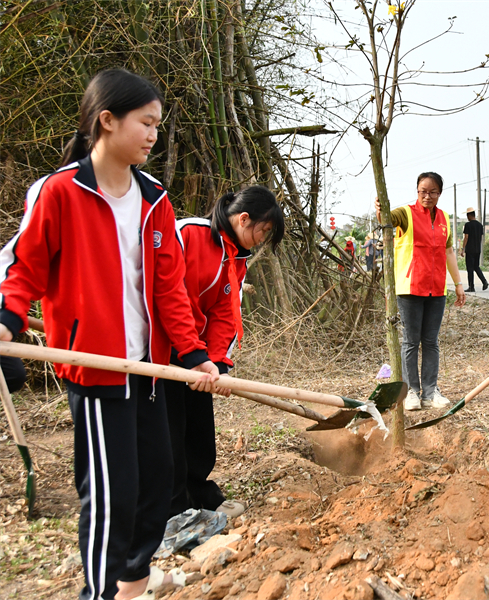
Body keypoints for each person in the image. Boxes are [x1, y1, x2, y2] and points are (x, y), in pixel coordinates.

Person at [0, 69, 219, 600]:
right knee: (110, 494)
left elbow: (169, 290)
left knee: (155, 486)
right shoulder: (60, 192)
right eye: (145, 123)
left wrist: (193, 355)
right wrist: (5, 320)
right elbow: (22, 267)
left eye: (157, 126)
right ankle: (98, 593)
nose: (152, 135)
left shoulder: (154, 199)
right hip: (97, 369)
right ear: (106, 121)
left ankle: (132, 583)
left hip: (150, 370)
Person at [167, 186, 285, 520]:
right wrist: (190, 354)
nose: (262, 240)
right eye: (263, 231)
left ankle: (202, 495)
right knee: (170, 432)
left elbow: (225, 312)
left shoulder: (237, 256)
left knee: (199, 429)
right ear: (244, 218)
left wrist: (217, 363)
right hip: (163, 349)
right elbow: (174, 298)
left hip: (199, 355)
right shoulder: (189, 234)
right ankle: (174, 510)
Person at [374, 173, 466, 411]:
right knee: (411, 342)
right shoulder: (405, 214)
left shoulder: (445, 218)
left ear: (439, 193)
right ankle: (411, 392)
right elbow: (386, 219)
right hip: (410, 288)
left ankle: (430, 391)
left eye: (433, 191)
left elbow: (449, 253)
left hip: (436, 289)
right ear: (417, 191)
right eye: (423, 191)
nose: (427, 196)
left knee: (431, 342)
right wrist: (379, 208)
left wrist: (457, 283)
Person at [460, 207, 489, 292]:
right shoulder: (480, 225)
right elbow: (480, 237)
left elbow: (466, 237)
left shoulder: (468, 225)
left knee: (470, 269)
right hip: (477, 249)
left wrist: (463, 249)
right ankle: (484, 281)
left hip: (470, 249)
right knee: (476, 266)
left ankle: (471, 287)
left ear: (469, 215)